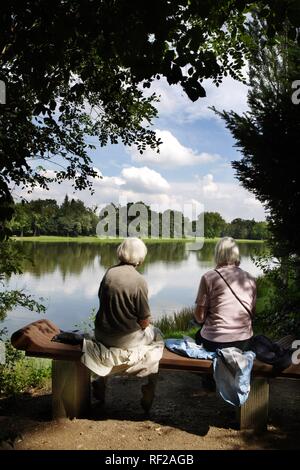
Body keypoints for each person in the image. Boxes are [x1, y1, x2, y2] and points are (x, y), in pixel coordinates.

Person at [92, 237, 162, 412]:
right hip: (126, 340)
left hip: (102, 334)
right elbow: (144, 321)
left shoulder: (108, 273)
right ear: (140, 257)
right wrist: (146, 325)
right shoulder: (139, 281)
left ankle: (100, 383)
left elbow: (102, 300)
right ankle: (149, 388)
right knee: (158, 338)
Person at [194, 237, 256, 352]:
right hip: (244, 341)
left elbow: (199, 317)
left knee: (196, 329)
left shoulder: (209, 277)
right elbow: (252, 313)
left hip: (215, 342)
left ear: (218, 254)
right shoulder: (250, 278)